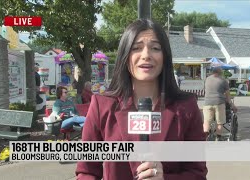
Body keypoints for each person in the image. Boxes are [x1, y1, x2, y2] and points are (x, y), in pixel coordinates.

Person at [76, 19, 207, 180]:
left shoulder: (186, 107)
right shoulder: (101, 105)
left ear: (165, 56)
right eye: (136, 48)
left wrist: (164, 178)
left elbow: (197, 173)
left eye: (155, 48)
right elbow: (87, 171)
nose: (146, 55)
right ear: (125, 56)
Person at [203, 67, 237, 141]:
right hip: (219, 103)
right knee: (219, 122)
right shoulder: (223, 81)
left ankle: (205, 136)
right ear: (220, 72)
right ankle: (218, 137)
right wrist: (232, 105)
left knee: (206, 121)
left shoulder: (207, 79)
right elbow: (228, 95)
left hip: (207, 103)